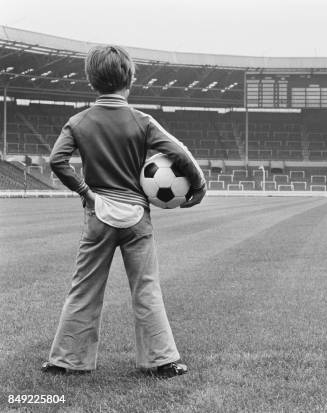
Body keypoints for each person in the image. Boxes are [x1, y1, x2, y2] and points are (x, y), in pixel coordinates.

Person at [42, 45, 206, 378]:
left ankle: (68, 361)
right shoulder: (143, 122)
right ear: (129, 80)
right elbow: (180, 154)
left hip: (98, 216)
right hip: (136, 218)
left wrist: (86, 192)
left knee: (84, 287)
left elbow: (56, 161)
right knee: (146, 287)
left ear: (91, 81)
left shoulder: (78, 122)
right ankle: (161, 360)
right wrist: (199, 186)